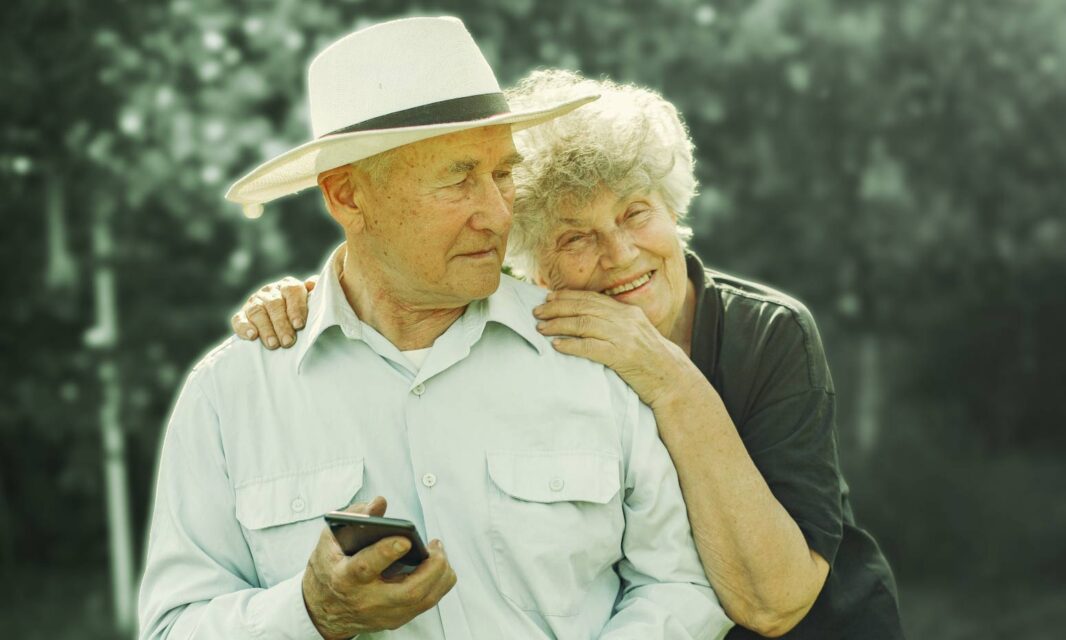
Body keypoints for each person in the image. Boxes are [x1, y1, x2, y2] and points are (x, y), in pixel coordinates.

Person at [233, 69, 905, 638]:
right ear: (531, 265)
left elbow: (774, 602)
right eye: (576, 237)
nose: (620, 255)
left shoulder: (769, 333)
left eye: (637, 213)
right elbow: (401, 280)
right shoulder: (539, 334)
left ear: (674, 208)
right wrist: (319, 300)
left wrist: (668, 376)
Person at [138, 18, 731, 640]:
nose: (500, 212)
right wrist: (310, 614)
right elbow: (173, 627)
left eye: (504, 173)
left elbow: (680, 585)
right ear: (347, 197)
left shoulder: (592, 348)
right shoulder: (230, 397)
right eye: (458, 178)